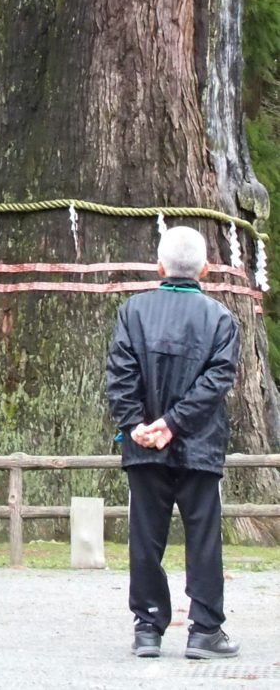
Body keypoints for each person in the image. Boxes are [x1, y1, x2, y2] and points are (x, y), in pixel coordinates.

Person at [106, 224, 242, 661]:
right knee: (204, 537)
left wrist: (138, 424)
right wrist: (175, 423)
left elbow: (120, 373)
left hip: (145, 445)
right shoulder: (220, 319)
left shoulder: (133, 311)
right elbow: (215, 382)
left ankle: (148, 625)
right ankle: (204, 629)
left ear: (159, 265)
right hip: (199, 444)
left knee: (145, 536)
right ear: (204, 268)